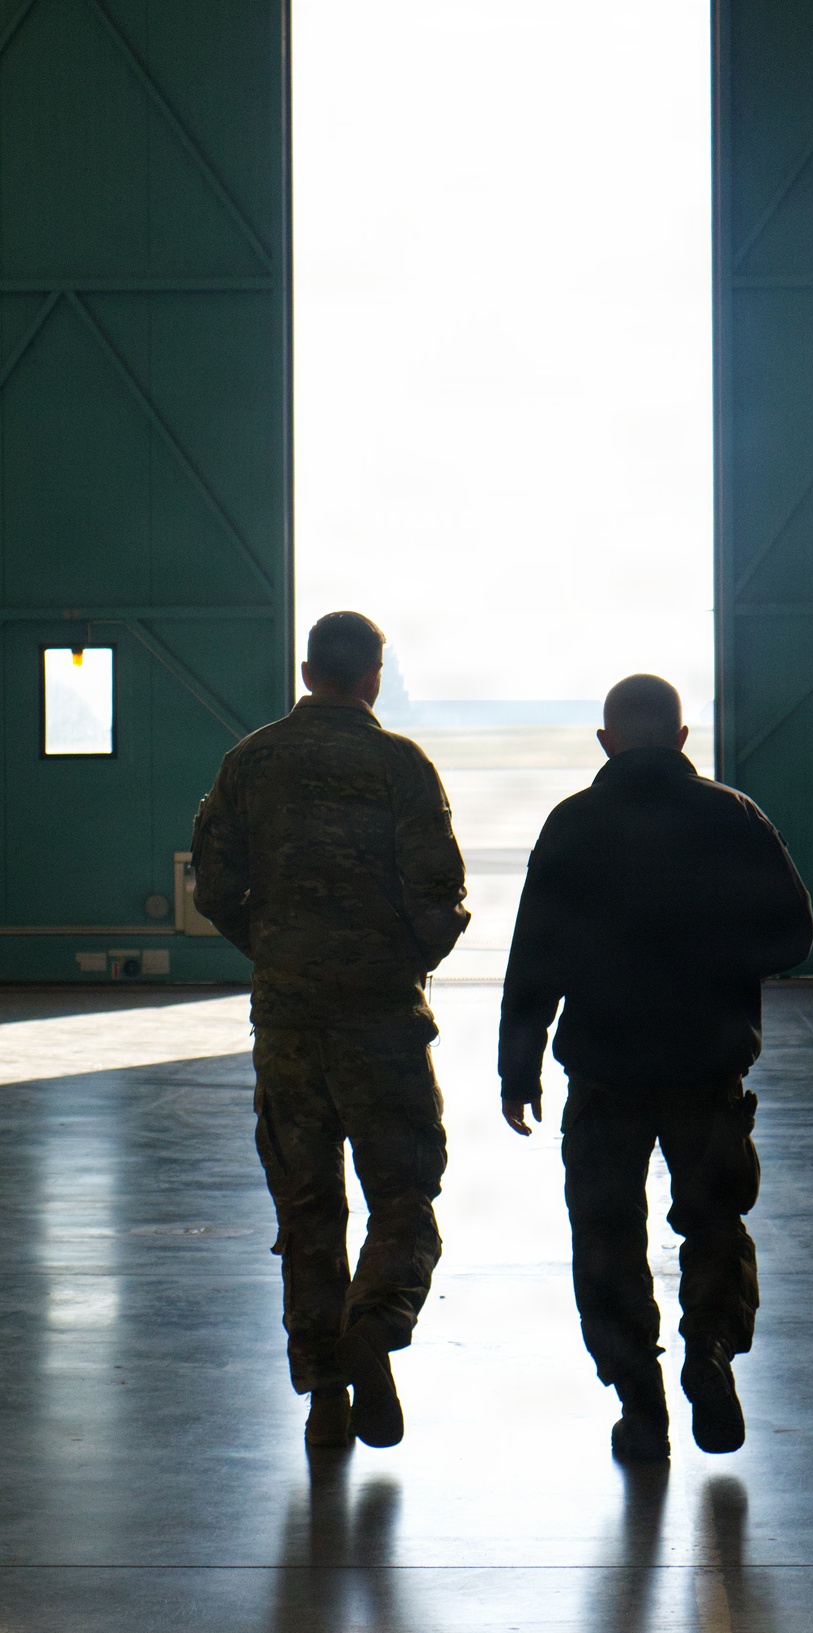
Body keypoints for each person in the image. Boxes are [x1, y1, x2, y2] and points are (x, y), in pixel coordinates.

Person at [498, 674, 813, 1463]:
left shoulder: (573, 823)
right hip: (708, 1067)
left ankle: (641, 1402)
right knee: (713, 1220)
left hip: (605, 1072)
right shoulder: (733, 816)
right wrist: (719, 965)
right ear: (681, 737)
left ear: (605, 740)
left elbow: (534, 953)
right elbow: (794, 934)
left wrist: (518, 1064)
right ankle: (709, 1351)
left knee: (605, 1234)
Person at [192, 611, 470, 1451]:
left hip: (287, 1023)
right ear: (373, 676)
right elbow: (441, 893)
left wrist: (276, 950)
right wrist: (397, 959)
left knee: (307, 1209)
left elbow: (213, 885)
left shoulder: (249, 762)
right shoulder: (400, 765)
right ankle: (375, 1325)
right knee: (403, 1195)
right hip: (380, 1021)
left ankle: (323, 1393)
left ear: (309, 671)